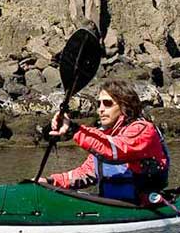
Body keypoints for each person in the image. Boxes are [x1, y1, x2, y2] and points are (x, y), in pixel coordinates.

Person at [38, 79, 170, 204]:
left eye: (107, 104)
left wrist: (73, 129)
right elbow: (86, 173)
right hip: (112, 204)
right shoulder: (105, 135)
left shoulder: (143, 130)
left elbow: (115, 150)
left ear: (124, 105)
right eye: (99, 104)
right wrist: (50, 181)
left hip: (142, 204)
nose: (100, 109)